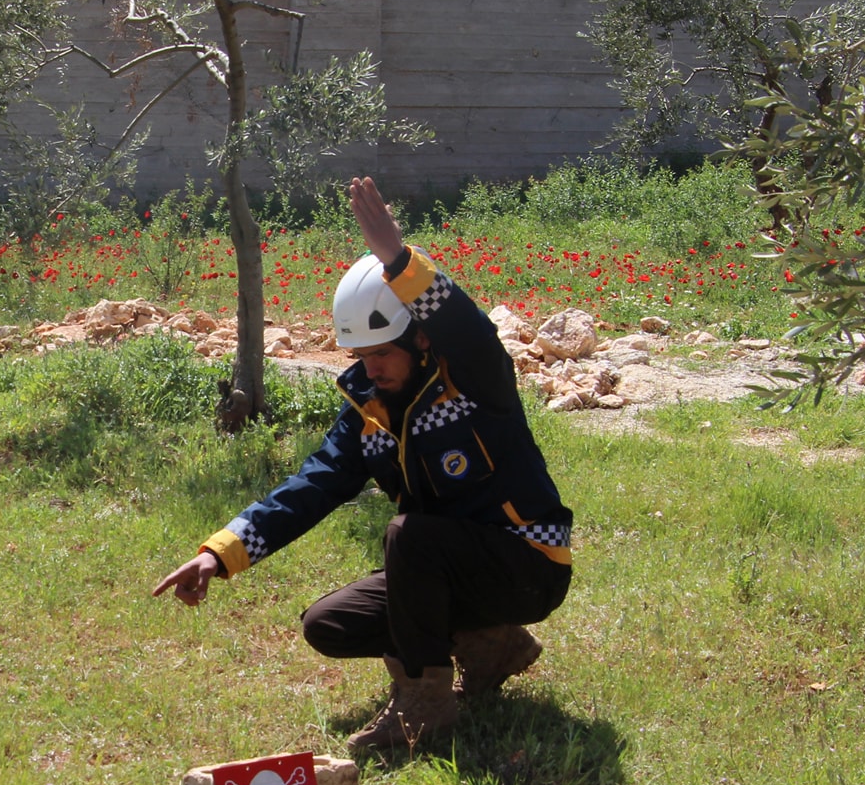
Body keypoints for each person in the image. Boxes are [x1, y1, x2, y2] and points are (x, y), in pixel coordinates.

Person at [153, 177, 573, 751]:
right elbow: (311, 487)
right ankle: (489, 643)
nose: (371, 369)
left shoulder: (475, 383)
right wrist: (218, 554)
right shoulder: (369, 412)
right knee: (327, 624)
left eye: (383, 354)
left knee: (411, 537)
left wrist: (399, 260)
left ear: (421, 341)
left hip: (528, 565)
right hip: (448, 570)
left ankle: (424, 706)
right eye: (361, 356)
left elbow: (470, 330)